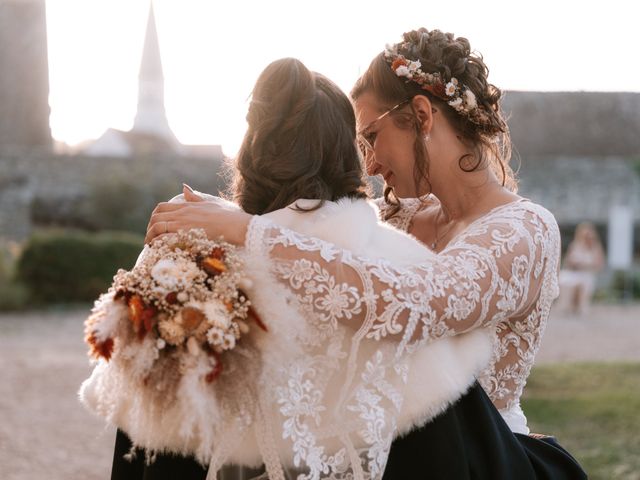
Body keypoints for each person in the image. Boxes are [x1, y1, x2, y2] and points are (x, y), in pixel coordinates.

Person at [144, 32, 586, 480]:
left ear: (421, 115)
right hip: (382, 451)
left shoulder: (524, 230)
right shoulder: (396, 220)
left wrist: (246, 229)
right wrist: (213, 218)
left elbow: (418, 303)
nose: (370, 164)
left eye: (372, 136)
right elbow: (313, 247)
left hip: (474, 455)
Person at [558, 222, 605, 314]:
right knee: (565, 280)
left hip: (587, 274)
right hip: (574, 273)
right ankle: (567, 305)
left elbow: (600, 264)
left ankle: (579, 306)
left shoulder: (596, 248)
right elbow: (568, 261)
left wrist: (586, 266)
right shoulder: (575, 245)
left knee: (583, 283)